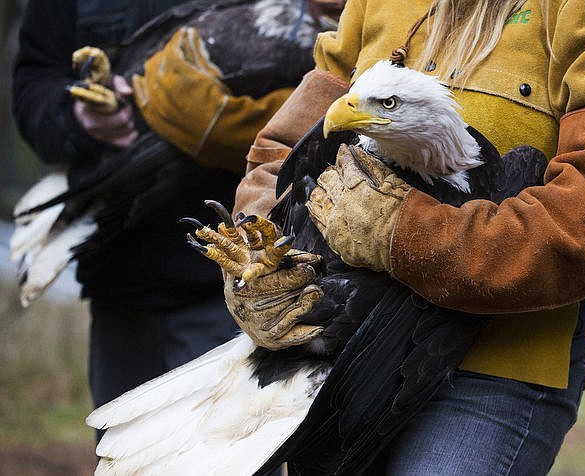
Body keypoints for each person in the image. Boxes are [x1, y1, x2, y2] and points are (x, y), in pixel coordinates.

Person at [219, 0, 585, 473]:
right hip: (340, 357)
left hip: (494, 365)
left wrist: (406, 232)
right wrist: (260, 256)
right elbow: (286, 154)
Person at [11, 0, 342, 431]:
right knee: (125, 455)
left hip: (245, 287)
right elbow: (36, 80)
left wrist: (287, 136)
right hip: (122, 277)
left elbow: (350, 58)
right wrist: (77, 115)